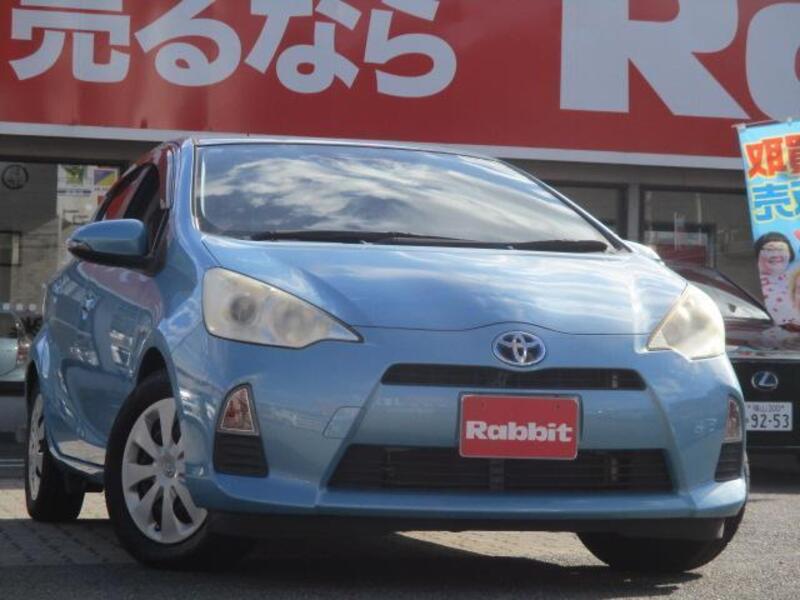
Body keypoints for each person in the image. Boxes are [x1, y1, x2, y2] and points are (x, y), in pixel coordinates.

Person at [755, 232, 798, 325]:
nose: (775, 255)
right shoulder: (749, 282)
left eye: (781, 249)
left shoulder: (796, 280)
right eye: (769, 250)